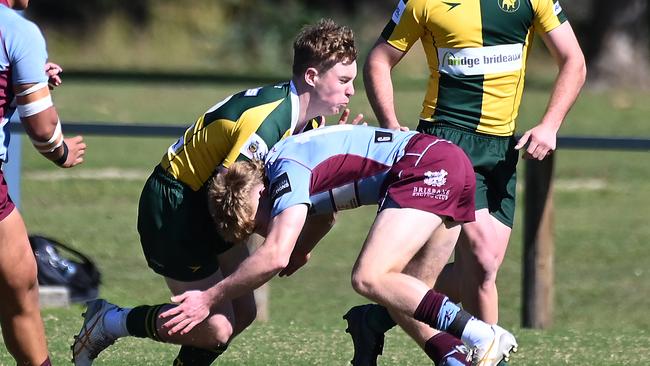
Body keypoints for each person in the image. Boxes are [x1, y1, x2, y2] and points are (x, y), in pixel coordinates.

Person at [71, 18, 361, 366]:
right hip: (179, 204)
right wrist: (283, 238)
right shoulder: (268, 120)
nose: (351, 92)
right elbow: (231, 197)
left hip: (210, 202)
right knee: (217, 329)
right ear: (312, 77)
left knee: (244, 311)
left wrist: (332, 160)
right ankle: (110, 322)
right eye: (344, 81)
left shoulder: (310, 123)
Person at [345, 0, 587, 364]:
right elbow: (379, 59)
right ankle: (489, 355)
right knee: (482, 263)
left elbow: (574, 60)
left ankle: (378, 315)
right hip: (446, 144)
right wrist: (390, 123)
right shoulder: (422, 3)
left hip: (502, 149)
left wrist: (550, 124)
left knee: (478, 268)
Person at [160, 124, 518, 366]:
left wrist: (209, 296)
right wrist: (302, 250)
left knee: (369, 277)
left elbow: (274, 255)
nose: (268, 228)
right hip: (446, 160)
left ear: (258, 191)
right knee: (406, 294)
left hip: (425, 167)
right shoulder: (285, 168)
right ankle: (457, 359)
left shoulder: (285, 171)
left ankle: (480, 335)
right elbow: (324, 215)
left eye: (261, 220)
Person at [0, 1, 86, 365]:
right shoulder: (17, 31)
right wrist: (62, 152)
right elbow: (42, 127)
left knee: (18, 277)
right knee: (20, 288)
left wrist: (29, 78)